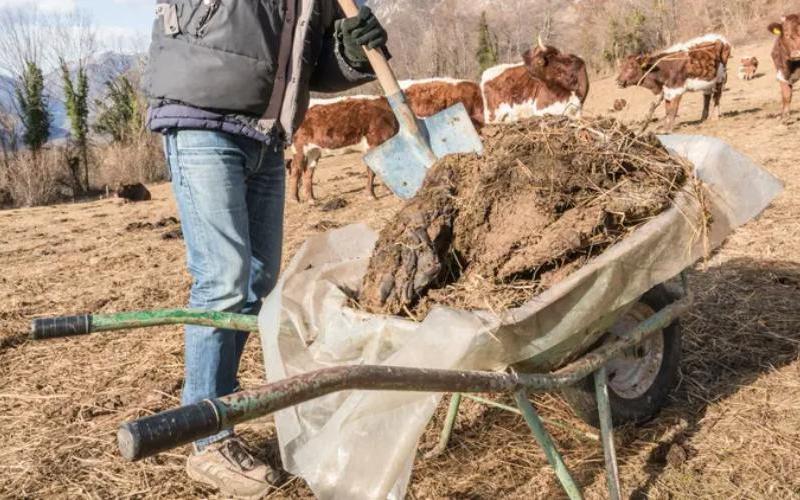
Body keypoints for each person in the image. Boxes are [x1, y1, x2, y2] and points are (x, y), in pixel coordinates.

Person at [143, 2, 388, 497]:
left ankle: (219, 403)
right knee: (224, 279)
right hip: (202, 118)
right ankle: (207, 436)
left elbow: (306, 66)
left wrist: (349, 53)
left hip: (266, 135)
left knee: (258, 281)